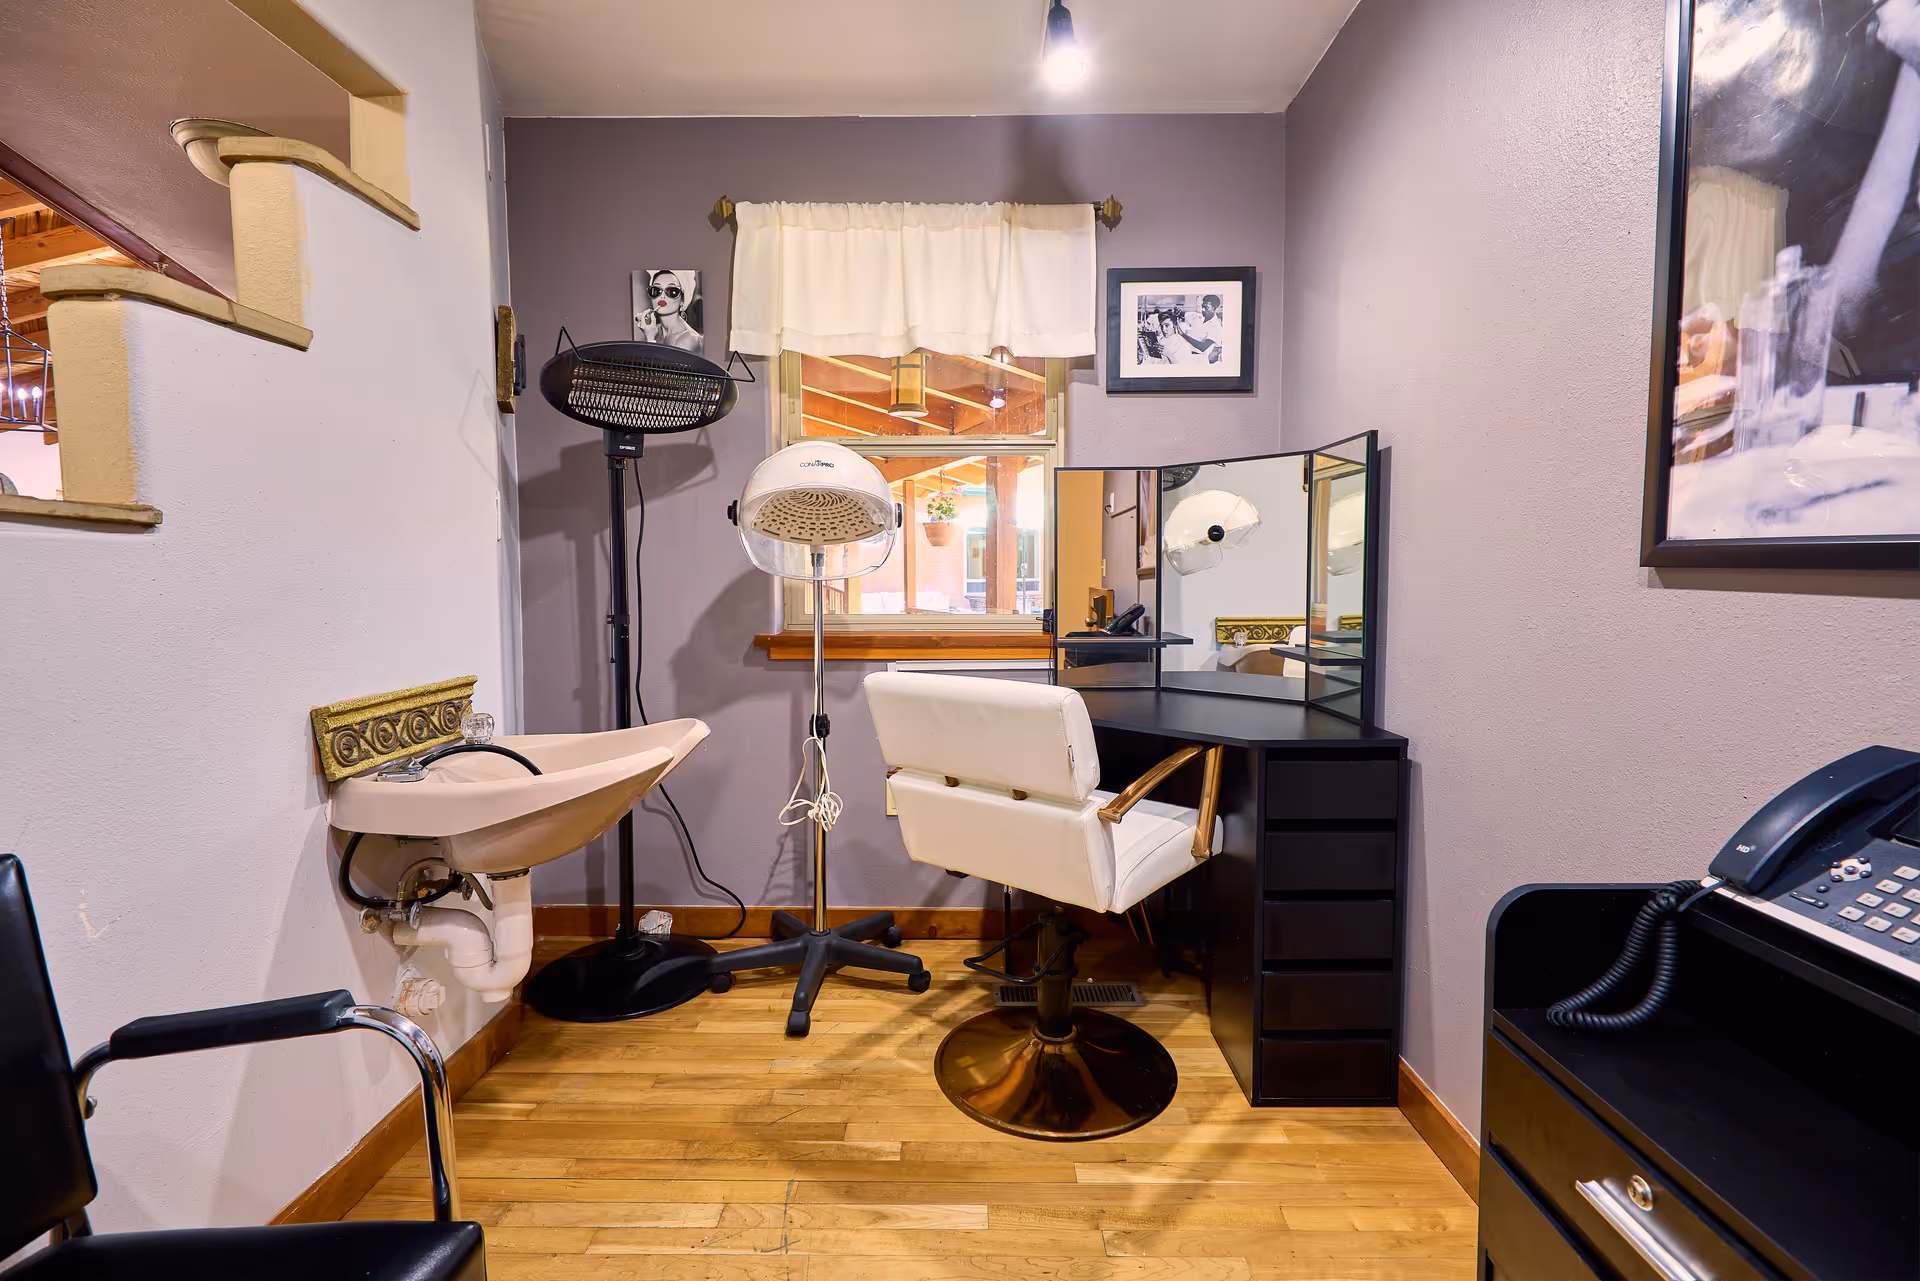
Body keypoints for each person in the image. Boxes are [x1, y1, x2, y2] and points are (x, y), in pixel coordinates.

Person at [637, 269, 702, 352]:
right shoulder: (653, 330)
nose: (662, 296)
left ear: (682, 301)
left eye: (672, 291)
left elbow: (654, 364)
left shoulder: (690, 340)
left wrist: (650, 338)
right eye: (656, 290)